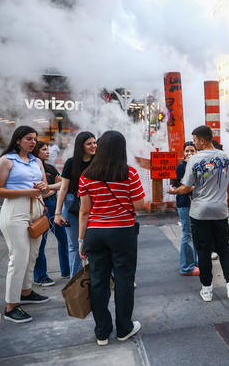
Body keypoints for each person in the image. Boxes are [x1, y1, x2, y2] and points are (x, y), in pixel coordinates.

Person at [78, 130, 145, 346]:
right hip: (122, 232)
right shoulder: (130, 173)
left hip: (95, 233)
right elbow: (139, 205)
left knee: (98, 282)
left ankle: (102, 332)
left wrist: (81, 240)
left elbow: (84, 212)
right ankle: (124, 327)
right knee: (124, 279)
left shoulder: (86, 175)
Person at [175, 125, 229, 302]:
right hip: (220, 210)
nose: (193, 143)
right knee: (224, 247)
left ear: (202, 140)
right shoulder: (226, 158)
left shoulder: (194, 159)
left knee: (203, 249)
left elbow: (186, 188)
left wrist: (174, 191)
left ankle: (207, 289)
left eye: (194, 140)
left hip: (200, 212)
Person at [0, 125, 50, 323]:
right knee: (19, 258)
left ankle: (25, 292)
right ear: (17, 140)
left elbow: (46, 189)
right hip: (15, 211)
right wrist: (25, 191)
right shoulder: (6, 160)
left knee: (32, 255)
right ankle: (11, 306)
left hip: (36, 209)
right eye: (28, 139)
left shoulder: (36, 161)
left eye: (34, 139)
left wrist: (44, 186)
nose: (33, 142)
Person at [54, 132, 97, 277]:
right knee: (74, 245)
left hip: (95, 204)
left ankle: (108, 278)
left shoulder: (98, 161)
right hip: (73, 204)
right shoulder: (71, 162)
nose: (93, 146)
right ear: (81, 146)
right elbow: (63, 188)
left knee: (98, 245)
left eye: (94, 142)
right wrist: (58, 213)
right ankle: (76, 282)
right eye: (89, 143)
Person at [32, 141, 69, 286]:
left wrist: (50, 189)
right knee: (41, 243)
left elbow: (63, 183)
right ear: (36, 151)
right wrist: (53, 189)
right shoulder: (33, 169)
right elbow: (42, 193)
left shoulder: (50, 168)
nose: (48, 152)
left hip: (55, 206)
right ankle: (41, 277)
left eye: (48, 149)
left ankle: (67, 271)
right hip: (42, 207)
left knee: (64, 238)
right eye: (44, 149)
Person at [168, 141, 199, 276]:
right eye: (187, 151)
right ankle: (186, 267)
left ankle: (195, 263)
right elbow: (182, 187)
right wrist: (194, 187)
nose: (189, 153)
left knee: (195, 233)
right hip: (185, 203)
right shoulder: (181, 167)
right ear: (183, 153)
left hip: (195, 203)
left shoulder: (198, 165)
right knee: (187, 234)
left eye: (192, 151)